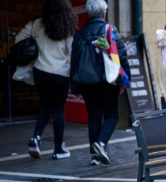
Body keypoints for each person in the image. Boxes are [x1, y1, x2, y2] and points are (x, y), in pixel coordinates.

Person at [70, 0, 131, 166]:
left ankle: (95, 157)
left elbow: (74, 61)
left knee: (94, 117)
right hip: (107, 81)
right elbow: (122, 56)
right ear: (104, 12)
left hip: (86, 82)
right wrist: (125, 80)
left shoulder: (80, 34)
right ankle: (101, 144)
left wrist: (74, 86)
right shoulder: (110, 30)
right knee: (112, 116)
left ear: (89, 13)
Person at [17, 0, 78, 160]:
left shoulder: (37, 23)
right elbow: (72, 52)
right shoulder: (67, 25)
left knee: (45, 107)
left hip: (40, 71)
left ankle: (35, 137)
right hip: (60, 73)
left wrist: (33, 51)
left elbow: (20, 38)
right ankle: (58, 149)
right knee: (58, 111)